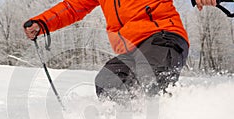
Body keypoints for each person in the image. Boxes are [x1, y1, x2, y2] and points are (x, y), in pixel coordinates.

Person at [24, 0, 217, 99]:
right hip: (131, 49)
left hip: (163, 36)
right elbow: (73, 7)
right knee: (107, 80)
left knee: (147, 77)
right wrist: (42, 23)